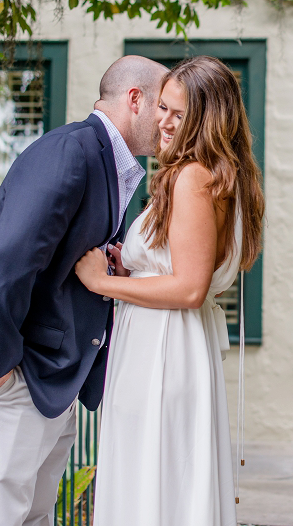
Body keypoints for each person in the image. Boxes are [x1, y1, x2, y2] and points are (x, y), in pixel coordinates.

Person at [0, 55, 168, 526]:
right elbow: (7, 259)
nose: (170, 121)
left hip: (51, 384)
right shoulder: (71, 152)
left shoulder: (113, 166)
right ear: (135, 100)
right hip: (7, 379)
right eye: (164, 106)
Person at [74, 55, 265, 526]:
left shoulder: (193, 177)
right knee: (160, 481)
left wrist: (103, 282)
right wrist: (133, 269)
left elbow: (189, 288)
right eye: (162, 108)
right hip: (168, 343)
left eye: (180, 115)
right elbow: (179, 266)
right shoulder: (211, 174)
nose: (164, 122)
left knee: (154, 483)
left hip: (164, 349)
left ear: (207, 121)